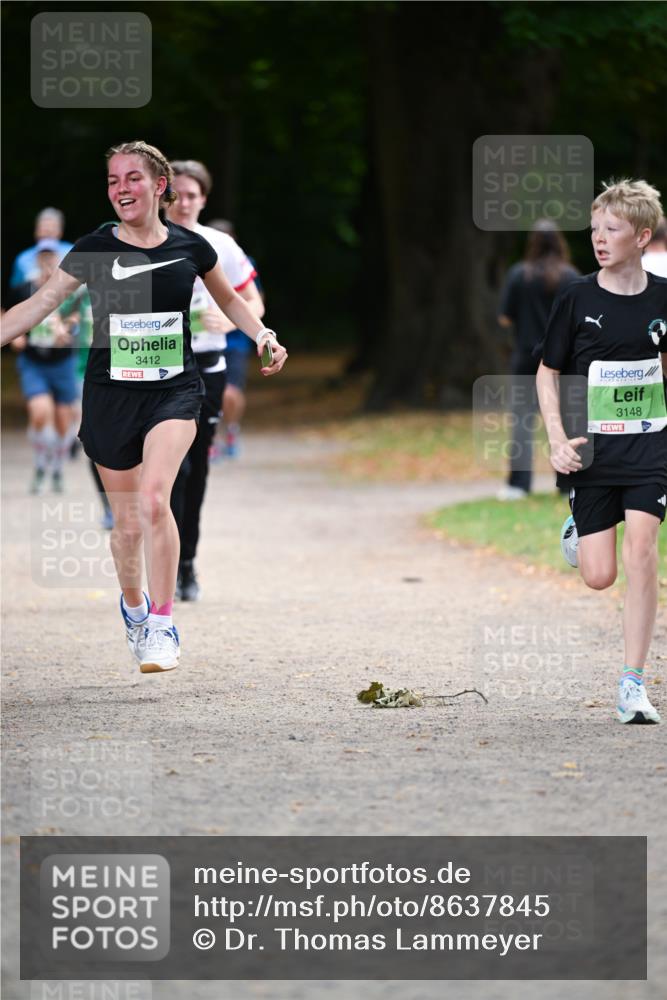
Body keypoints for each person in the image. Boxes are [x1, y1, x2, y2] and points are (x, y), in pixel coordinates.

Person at [1, 139, 287, 674]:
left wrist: (262, 332)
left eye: (132, 178)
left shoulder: (192, 247)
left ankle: (161, 622)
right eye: (112, 181)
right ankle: (133, 606)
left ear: (160, 187)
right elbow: (41, 303)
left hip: (175, 389)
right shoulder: (92, 248)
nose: (120, 189)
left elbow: (229, 300)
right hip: (110, 395)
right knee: (128, 521)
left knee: (156, 501)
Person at [536, 179, 667, 724]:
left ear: (641, 236)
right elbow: (547, 373)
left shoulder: (664, 298)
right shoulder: (577, 297)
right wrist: (556, 440)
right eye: (593, 229)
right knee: (598, 575)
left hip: (650, 446)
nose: (598, 238)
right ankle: (577, 527)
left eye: (610, 229)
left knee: (642, 552)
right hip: (593, 452)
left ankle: (633, 684)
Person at [165, 162, 264, 600]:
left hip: (207, 365)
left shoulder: (219, 244)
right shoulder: (145, 241)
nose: (183, 203)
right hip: (158, 368)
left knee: (195, 467)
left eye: (192, 195)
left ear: (204, 199)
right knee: (169, 469)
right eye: (177, 194)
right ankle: (163, 559)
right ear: (164, 195)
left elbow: (253, 300)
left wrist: (228, 321)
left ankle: (186, 562)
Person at [497, 220, 579, 500]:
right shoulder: (570, 277)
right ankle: (568, 483)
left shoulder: (518, 275)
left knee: (522, 420)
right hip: (562, 360)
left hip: (525, 357)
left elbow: (505, 317)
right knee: (567, 419)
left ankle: (518, 485)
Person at [8, 240, 79, 494]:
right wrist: (15, 335)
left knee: (63, 421)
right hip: (33, 362)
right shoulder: (23, 288)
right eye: (44, 256)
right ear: (37, 260)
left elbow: (78, 317)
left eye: (53, 257)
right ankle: (40, 464)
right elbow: (6, 310)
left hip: (62, 362)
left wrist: (67, 328)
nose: (48, 261)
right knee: (40, 412)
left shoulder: (69, 290)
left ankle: (56, 468)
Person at [207, 218, 260, 459]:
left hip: (236, 340)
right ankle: (212, 438)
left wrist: (230, 324)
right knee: (208, 394)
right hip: (204, 339)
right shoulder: (197, 259)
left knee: (230, 393)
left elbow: (257, 301)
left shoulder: (244, 263)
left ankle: (231, 428)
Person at [9, 208, 73, 288]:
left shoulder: (72, 251)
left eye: (52, 227)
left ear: (60, 231)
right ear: (36, 231)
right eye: (44, 227)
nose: (47, 231)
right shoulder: (23, 259)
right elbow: (16, 290)